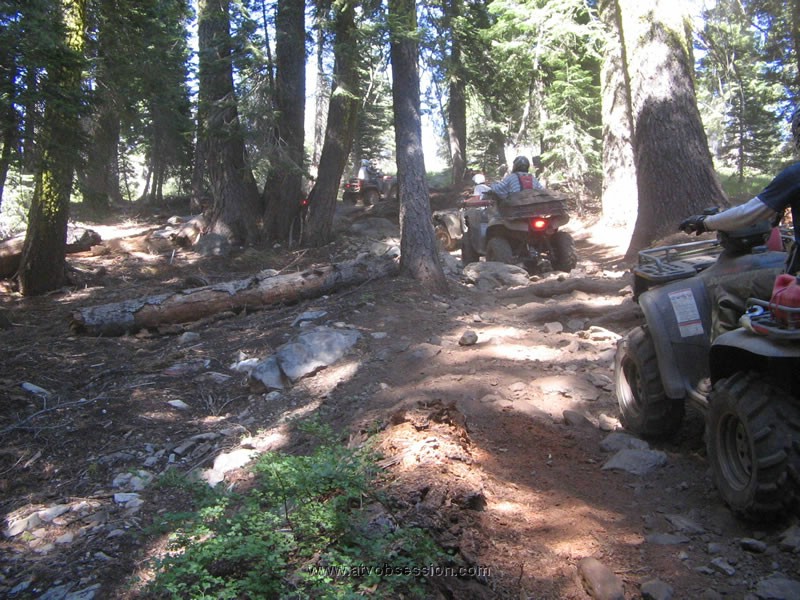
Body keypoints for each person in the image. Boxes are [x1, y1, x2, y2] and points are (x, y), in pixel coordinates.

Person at [678, 107, 800, 338]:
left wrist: (705, 222)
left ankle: (720, 355)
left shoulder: (795, 175)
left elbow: (749, 213)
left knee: (723, 288)